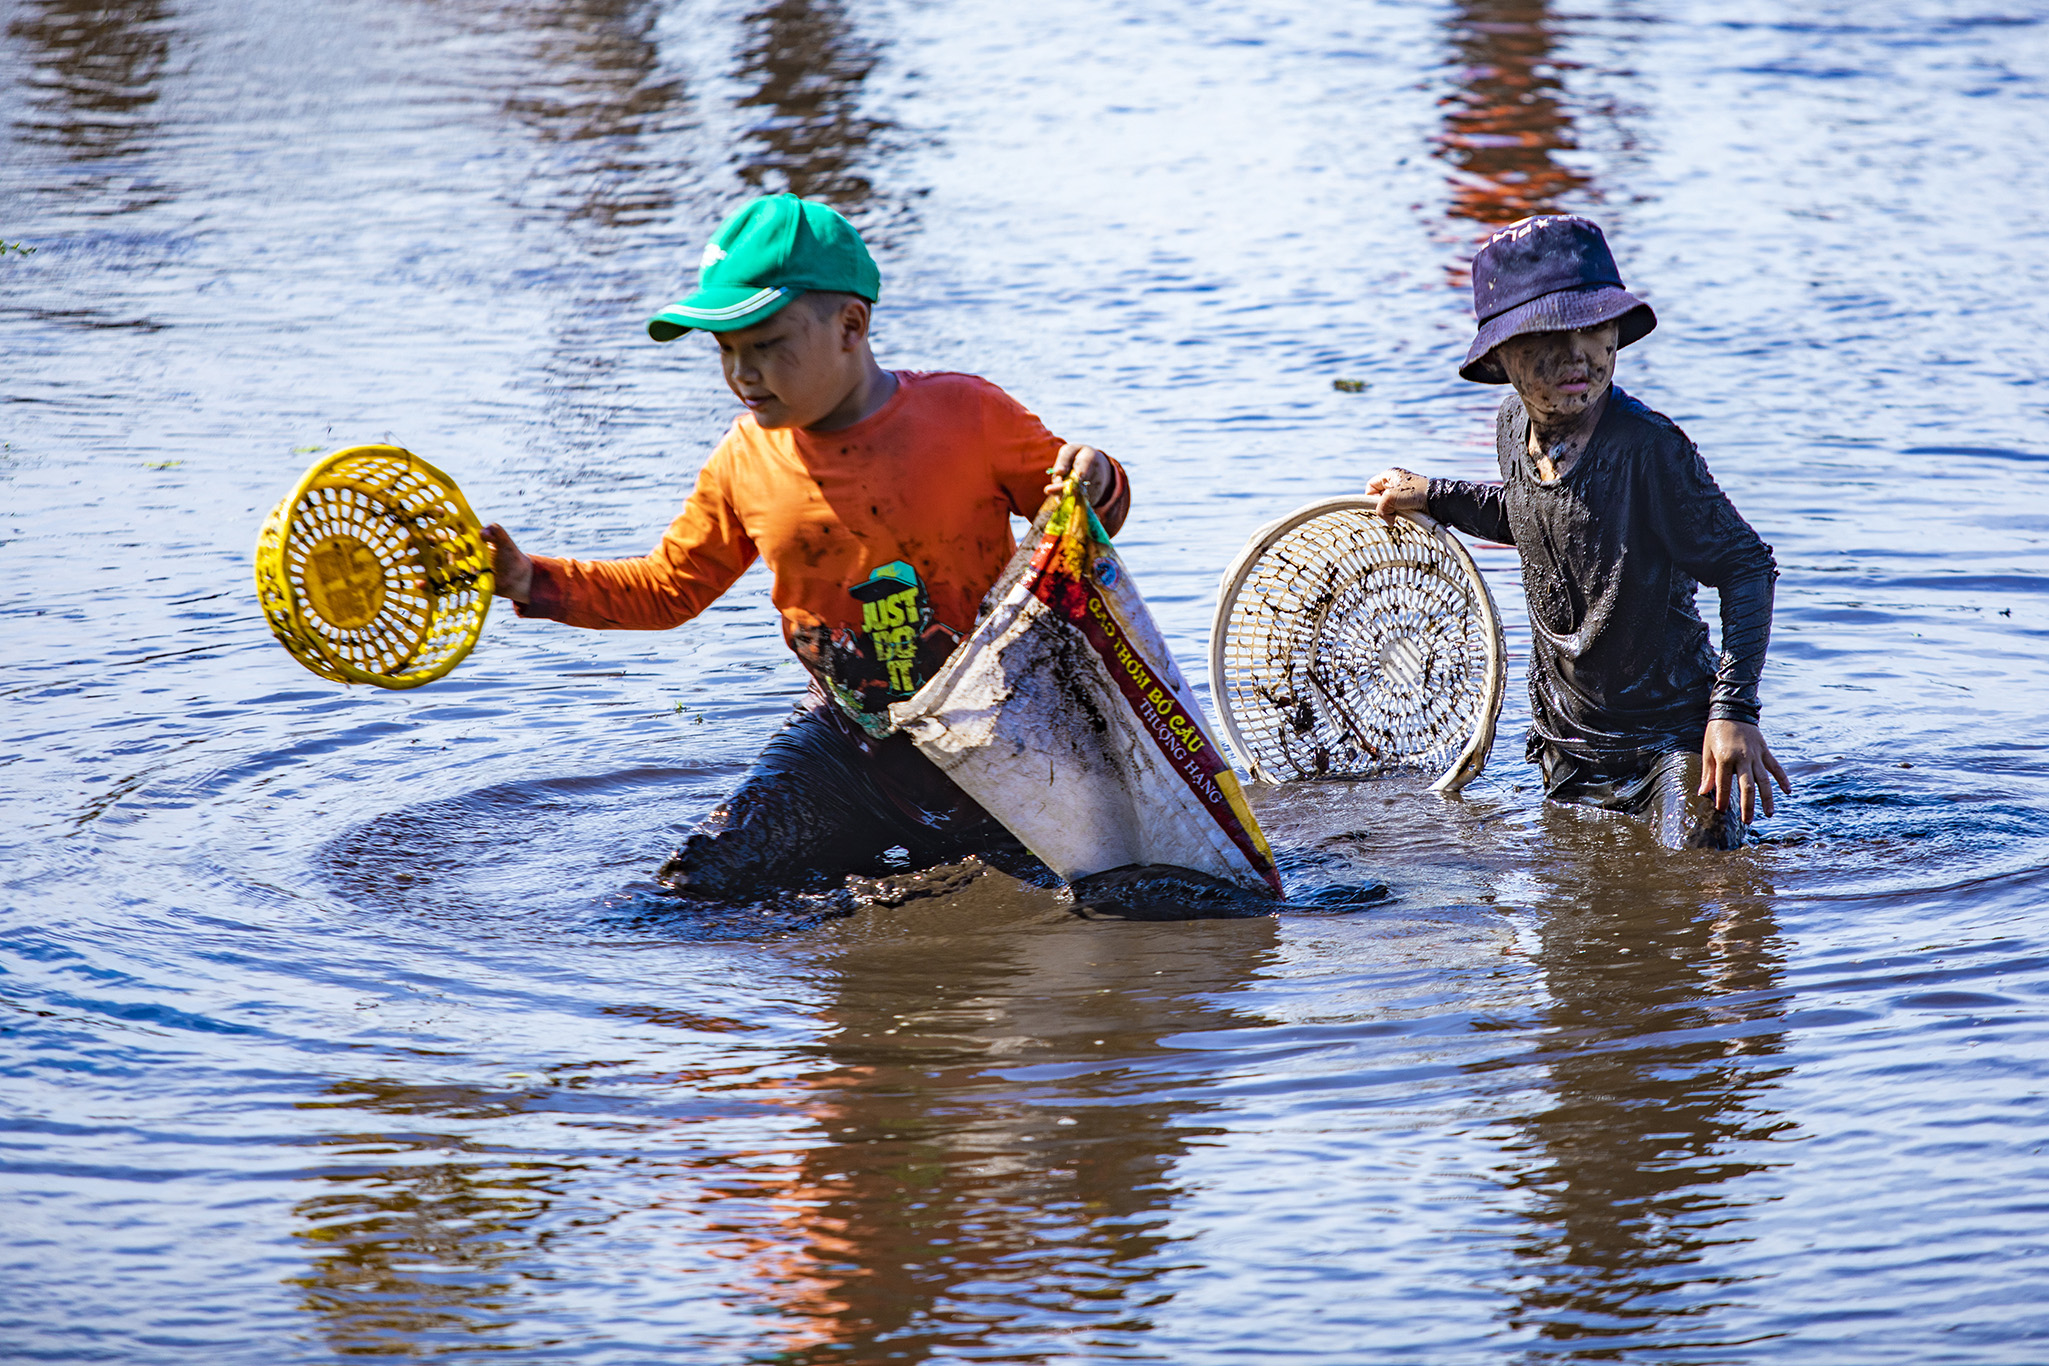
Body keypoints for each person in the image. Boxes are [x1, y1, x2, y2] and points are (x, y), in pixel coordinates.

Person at [483, 193, 1129, 897]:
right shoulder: (744, 459)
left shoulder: (966, 416)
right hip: (851, 747)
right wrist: (528, 580)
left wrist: (1095, 476)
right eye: (726, 351)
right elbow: (669, 590)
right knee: (697, 884)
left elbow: (1081, 514)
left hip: (1003, 740)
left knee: (1113, 893)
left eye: (766, 344)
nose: (743, 374)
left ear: (850, 324)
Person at [1366, 215, 1789, 849]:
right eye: (1547, 335)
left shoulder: (1649, 448)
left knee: (1701, 871)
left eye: (1593, 328)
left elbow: (1747, 566)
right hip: (1567, 743)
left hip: (1669, 742)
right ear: (1502, 357)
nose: (1577, 354)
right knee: (1572, 928)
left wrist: (1732, 714)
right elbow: (1539, 518)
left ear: (1616, 333)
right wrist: (1436, 496)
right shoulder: (1513, 425)